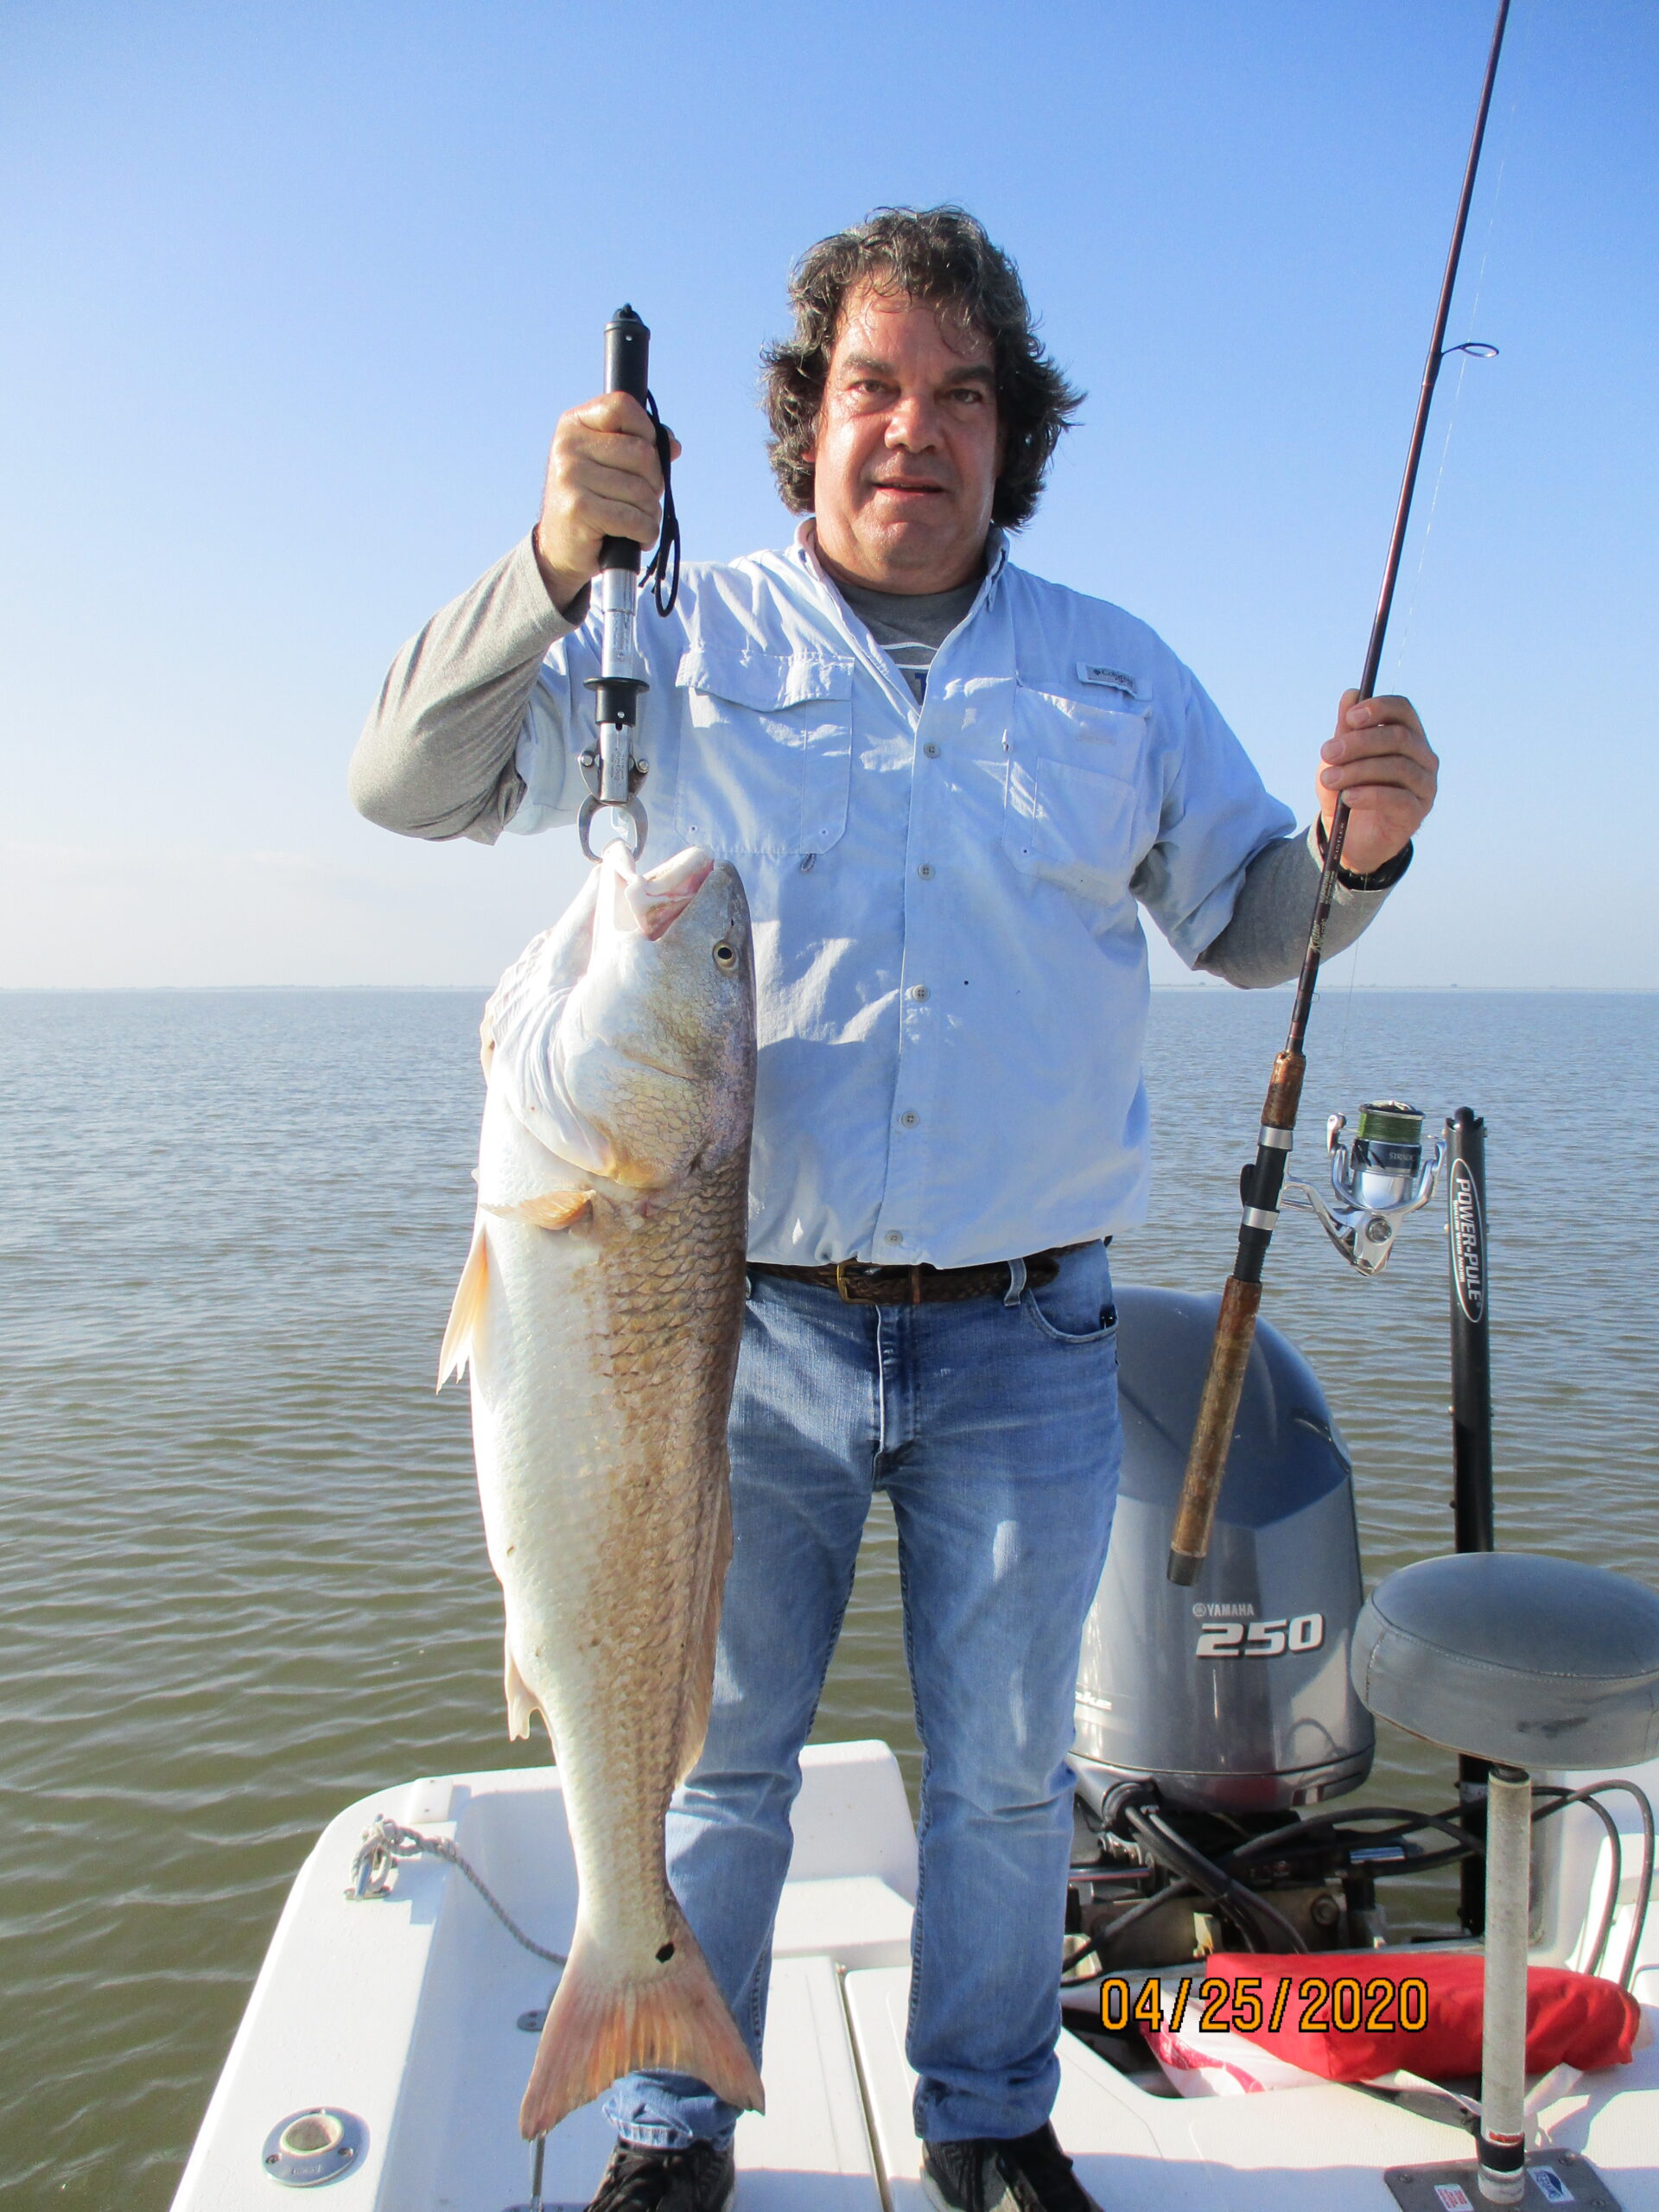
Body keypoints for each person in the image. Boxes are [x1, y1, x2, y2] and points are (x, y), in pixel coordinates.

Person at [351, 207, 1436, 2212]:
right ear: (803, 420)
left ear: (1012, 435)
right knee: (724, 1757)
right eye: (871, 387)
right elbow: (405, 780)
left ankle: (992, 2115)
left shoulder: (1121, 671)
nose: (911, 431)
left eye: (958, 398)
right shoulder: (669, 640)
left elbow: (1254, 922)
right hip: (722, 1325)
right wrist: (540, 560)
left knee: (1014, 1777)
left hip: (1030, 1330)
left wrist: (1359, 856)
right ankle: (672, 2120)